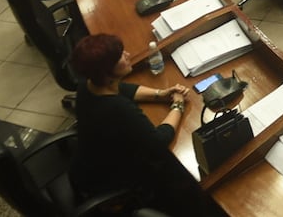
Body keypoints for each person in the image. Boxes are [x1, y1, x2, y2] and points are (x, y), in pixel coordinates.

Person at [69, 34, 222, 217]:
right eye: (119, 56)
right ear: (105, 72)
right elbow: (159, 141)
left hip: (85, 168)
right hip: (111, 182)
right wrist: (178, 105)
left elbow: (123, 89)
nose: (127, 54)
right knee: (184, 172)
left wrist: (162, 93)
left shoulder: (87, 86)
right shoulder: (117, 109)